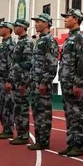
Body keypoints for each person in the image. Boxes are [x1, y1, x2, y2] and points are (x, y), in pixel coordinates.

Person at [58, 9, 83, 157]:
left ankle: (78, 145)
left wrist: (78, 83)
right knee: (70, 114)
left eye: (67, 17)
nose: (65, 19)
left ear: (75, 19)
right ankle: (71, 143)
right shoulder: (70, 38)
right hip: (66, 82)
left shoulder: (80, 38)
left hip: (74, 83)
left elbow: (82, 62)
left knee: (78, 114)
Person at [28, 13, 59, 151]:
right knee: (37, 111)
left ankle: (44, 140)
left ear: (46, 24)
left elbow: (52, 63)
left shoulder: (49, 41)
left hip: (42, 83)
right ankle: (40, 139)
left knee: (43, 112)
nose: (36, 24)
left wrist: (45, 82)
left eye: (39, 22)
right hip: (35, 82)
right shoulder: (40, 40)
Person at [9, 19, 34, 146]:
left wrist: (24, 83)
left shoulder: (27, 43)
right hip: (16, 80)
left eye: (16, 26)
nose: (14, 28)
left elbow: (28, 64)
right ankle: (20, 133)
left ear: (23, 28)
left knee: (22, 108)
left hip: (22, 81)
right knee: (17, 108)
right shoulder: (19, 42)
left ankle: (23, 135)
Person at [0, 21, 15, 138]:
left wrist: (9, 80)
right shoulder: (2, 44)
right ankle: (5, 128)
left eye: (1, 28)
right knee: (1, 105)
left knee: (7, 105)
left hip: (6, 80)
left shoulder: (11, 44)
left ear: (8, 29)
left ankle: (9, 129)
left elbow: (12, 64)